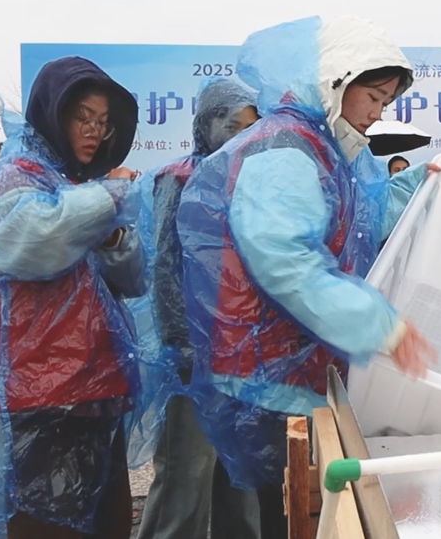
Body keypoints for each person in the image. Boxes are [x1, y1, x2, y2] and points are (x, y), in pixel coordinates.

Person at [177, 15, 439, 538]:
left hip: (291, 374)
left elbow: (366, 212)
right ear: (336, 83)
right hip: (270, 378)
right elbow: (284, 261)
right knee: (287, 518)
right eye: (373, 96)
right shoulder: (286, 149)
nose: (377, 112)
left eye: (387, 102)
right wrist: (381, 327)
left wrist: (436, 181)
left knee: (294, 517)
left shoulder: (320, 146)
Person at [0, 56, 145, 539]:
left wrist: (115, 239)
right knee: (48, 524)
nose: (94, 132)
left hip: (97, 389)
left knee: (107, 520)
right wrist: (107, 198)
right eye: (82, 117)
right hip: (44, 396)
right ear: (53, 113)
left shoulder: (74, 186)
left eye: (103, 122)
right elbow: (30, 244)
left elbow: (133, 280)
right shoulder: (16, 179)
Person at [135, 78, 262, 539]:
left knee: (240, 474)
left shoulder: (250, 184)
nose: (242, 137)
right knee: (185, 478)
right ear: (207, 123)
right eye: (234, 126)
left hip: (241, 353)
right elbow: (165, 267)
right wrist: (183, 346)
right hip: (195, 356)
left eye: (251, 128)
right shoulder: (180, 179)